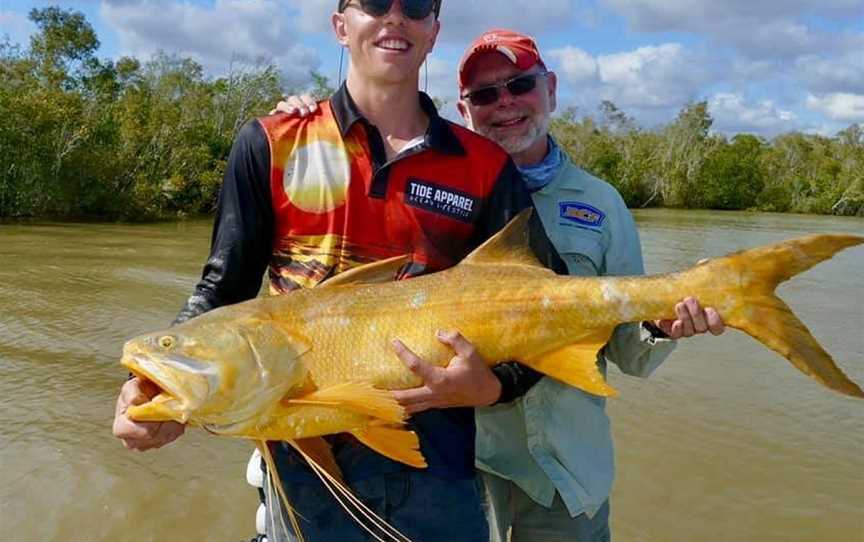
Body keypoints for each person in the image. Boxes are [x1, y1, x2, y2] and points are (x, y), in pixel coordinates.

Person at [112, 3, 544, 541]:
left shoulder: (484, 166)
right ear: (341, 25)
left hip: (440, 471)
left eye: (414, 6)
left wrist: (493, 387)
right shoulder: (272, 143)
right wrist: (149, 385)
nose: (395, 18)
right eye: (374, 3)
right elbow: (223, 289)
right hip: (302, 471)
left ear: (434, 30)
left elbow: (545, 307)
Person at [274, 29, 725, 542]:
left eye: (520, 85)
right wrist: (309, 126)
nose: (505, 103)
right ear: (464, 110)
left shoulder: (604, 205)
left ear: (550, 90)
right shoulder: (428, 188)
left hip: (566, 470)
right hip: (465, 466)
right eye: (485, 94)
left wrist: (664, 326)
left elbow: (632, 355)